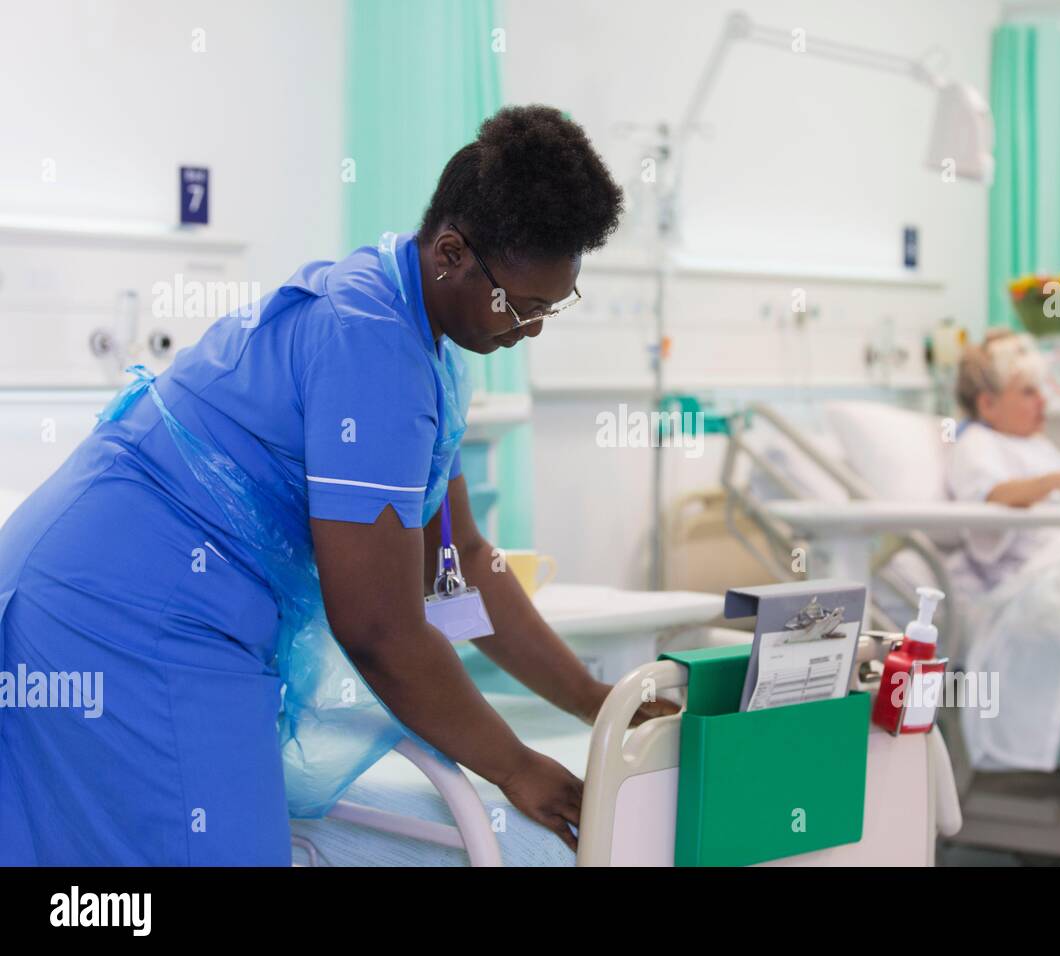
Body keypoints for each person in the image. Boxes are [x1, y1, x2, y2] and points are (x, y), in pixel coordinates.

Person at [0, 105, 669, 865]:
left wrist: (600, 705)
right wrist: (515, 768)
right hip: (119, 608)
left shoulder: (429, 346)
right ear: (451, 252)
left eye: (553, 307)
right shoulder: (371, 341)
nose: (533, 328)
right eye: (522, 304)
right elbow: (379, 630)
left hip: (146, 600)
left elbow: (453, 572)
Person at [948, 330, 1060, 590]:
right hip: (1049, 576)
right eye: (1028, 392)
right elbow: (989, 496)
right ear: (988, 404)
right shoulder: (976, 442)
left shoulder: (1035, 445)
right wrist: (1054, 484)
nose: (1043, 400)